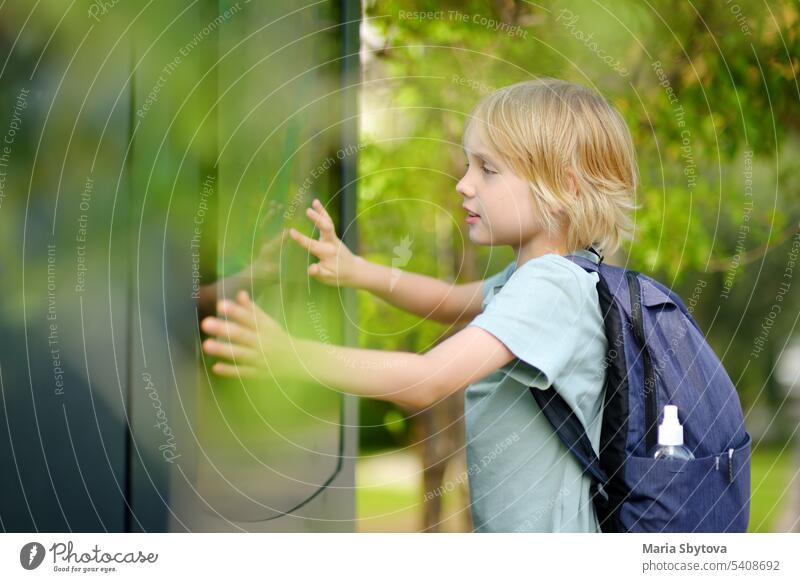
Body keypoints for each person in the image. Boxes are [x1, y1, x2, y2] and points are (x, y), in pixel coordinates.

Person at [200, 78, 637, 532]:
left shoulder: (553, 289)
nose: (464, 184)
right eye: (469, 164)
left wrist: (293, 355)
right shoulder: (538, 278)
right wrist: (358, 271)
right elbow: (449, 301)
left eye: (488, 169)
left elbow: (425, 380)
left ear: (563, 188)